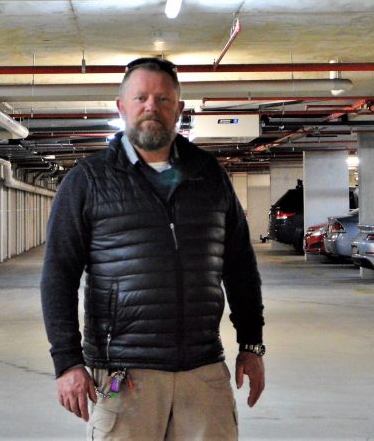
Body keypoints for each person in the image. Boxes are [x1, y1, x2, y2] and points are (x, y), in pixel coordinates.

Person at [40, 57, 265, 440]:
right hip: (126, 375)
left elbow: (240, 266)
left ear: (179, 109)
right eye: (140, 97)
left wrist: (252, 344)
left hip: (203, 370)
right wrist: (67, 362)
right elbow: (58, 276)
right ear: (121, 106)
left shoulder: (209, 176)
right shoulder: (88, 181)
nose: (151, 107)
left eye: (163, 99)